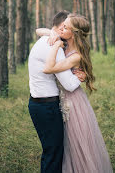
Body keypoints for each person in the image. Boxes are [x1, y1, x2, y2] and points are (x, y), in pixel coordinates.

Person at [43, 13, 113, 173]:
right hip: (60, 99)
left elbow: (48, 69)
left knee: (75, 142)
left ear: (73, 34)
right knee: (63, 142)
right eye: (62, 25)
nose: (62, 27)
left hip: (73, 103)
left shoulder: (76, 56)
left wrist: (55, 46)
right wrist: (53, 33)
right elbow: (38, 30)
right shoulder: (64, 42)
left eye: (66, 27)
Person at [28, 10, 85, 173]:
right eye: (67, 26)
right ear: (61, 28)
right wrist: (81, 76)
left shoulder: (45, 40)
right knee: (53, 153)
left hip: (39, 103)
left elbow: (40, 30)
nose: (68, 30)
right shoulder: (54, 46)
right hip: (47, 107)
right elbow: (69, 84)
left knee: (51, 151)